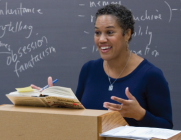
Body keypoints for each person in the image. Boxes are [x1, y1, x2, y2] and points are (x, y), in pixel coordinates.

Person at [32, 4, 173, 129]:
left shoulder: (151, 75)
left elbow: (167, 127)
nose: (101, 39)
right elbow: (78, 117)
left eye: (110, 32)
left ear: (127, 34)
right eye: (97, 33)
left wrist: (140, 115)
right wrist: (55, 102)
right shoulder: (89, 70)